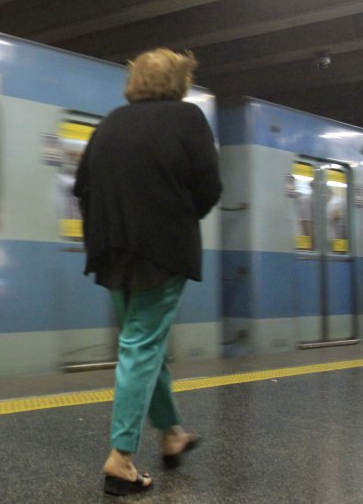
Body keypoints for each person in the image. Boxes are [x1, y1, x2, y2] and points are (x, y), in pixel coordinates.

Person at [72, 48, 221, 496]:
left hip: (110, 249)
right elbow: (209, 187)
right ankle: (121, 458)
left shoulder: (111, 122)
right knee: (141, 343)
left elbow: (81, 186)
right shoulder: (188, 118)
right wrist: (178, 215)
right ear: (179, 81)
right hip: (162, 249)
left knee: (142, 340)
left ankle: (172, 434)